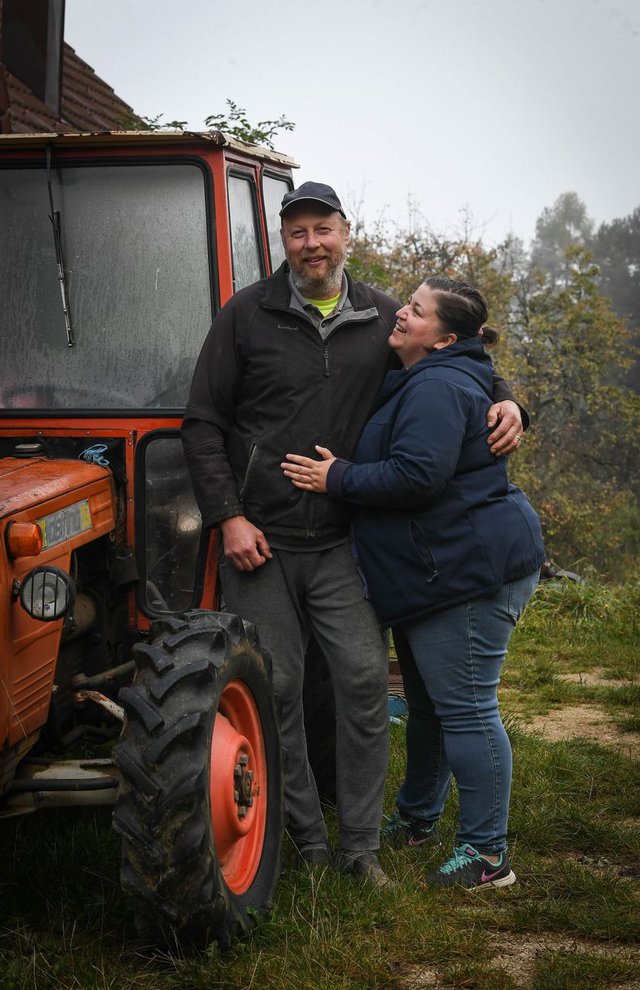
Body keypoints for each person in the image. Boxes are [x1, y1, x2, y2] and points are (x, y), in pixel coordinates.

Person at [181, 182, 525, 886]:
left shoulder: (381, 316)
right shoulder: (246, 315)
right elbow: (203, 422)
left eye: (323, 229)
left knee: (366, 684)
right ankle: (306, 837)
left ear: (346, 232)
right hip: (262, 540)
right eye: (297, 232)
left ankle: (361, 849)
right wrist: (228, 516)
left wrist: (510, 400)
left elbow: (457, 356)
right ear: (284, 242)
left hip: (344, 540)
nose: (311, 244)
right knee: (277, 690)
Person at [282, 276, 545, 890]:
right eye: (408, 302)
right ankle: (419, 818)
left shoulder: (437, 385)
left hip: (471, 571)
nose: (401, 313)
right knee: (428, 704)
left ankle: (486, 854)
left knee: (468, 707)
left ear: (445, 337)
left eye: (417, 311)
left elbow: (418, 476)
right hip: (442, 569)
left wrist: (337, 478)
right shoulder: (429, 372)